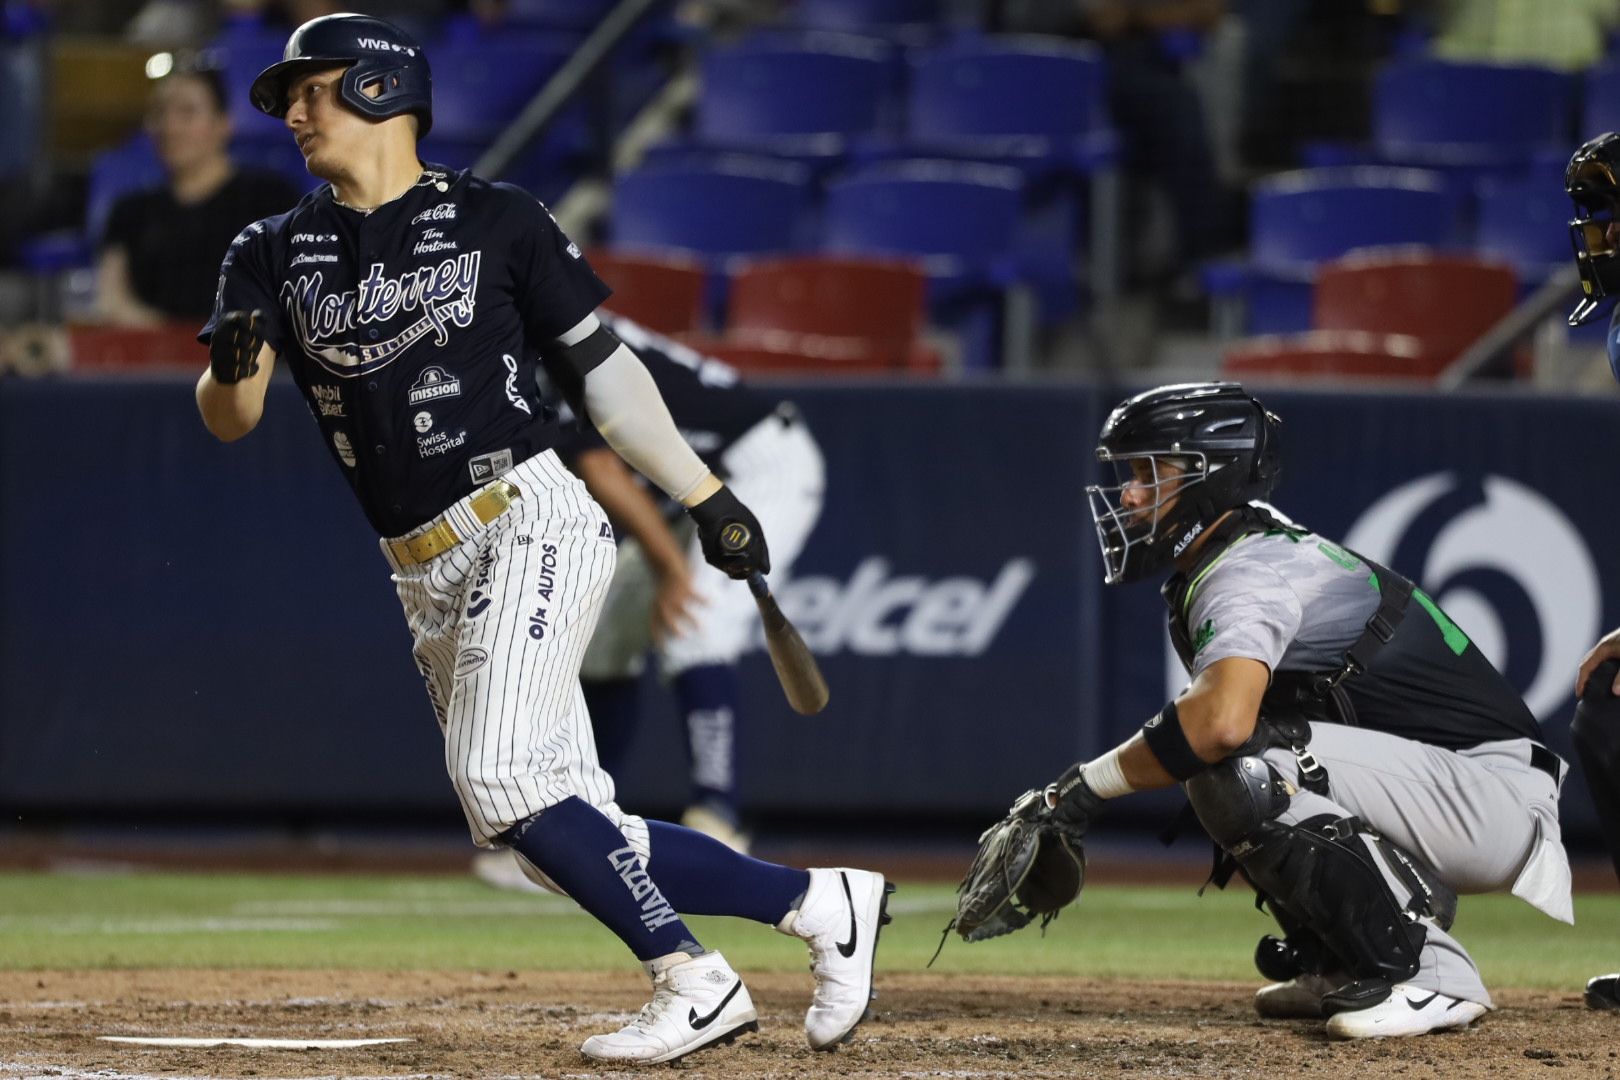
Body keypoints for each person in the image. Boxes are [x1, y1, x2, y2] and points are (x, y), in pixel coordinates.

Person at [193, 14, 890, 1065]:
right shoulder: (271, 248)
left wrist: (705, 495)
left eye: (315, 89)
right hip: (418, 567)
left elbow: (606, 377)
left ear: (384, 89)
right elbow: (230, 417)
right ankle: (819, 902)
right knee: (549, 832)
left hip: (527, 514)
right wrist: (230, 363)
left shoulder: (499, 219)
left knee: (502, 780)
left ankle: (696, 981)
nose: (293, 111)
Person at [1013, 381, 1571, 1039]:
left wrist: (1076, 793)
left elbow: (1219, 723)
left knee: (1236, 761)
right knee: (1236, 757)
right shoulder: (1243, 552)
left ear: (1207, 475)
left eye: (1148, 472)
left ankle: (1430, 975)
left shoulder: (1247, 570)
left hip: (1490, 797)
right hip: (1458, 790)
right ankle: (1344, 959)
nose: (1130, 494)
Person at [479, 313, 824, 875]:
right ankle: (583, 829)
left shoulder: (554, 336)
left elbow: (602, 469)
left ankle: (719, 819)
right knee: (602, 642)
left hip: (756, 464)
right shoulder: (539, 325)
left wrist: (671, 572)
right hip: (685, 486)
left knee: (696, 627)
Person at [97, 57, 297, 326]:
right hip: (155, 360)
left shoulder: (271, 200)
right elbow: (112, 301)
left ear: (223, 123)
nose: (170, 127)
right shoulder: (130, 210)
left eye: (187, 112)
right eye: (160, 112)